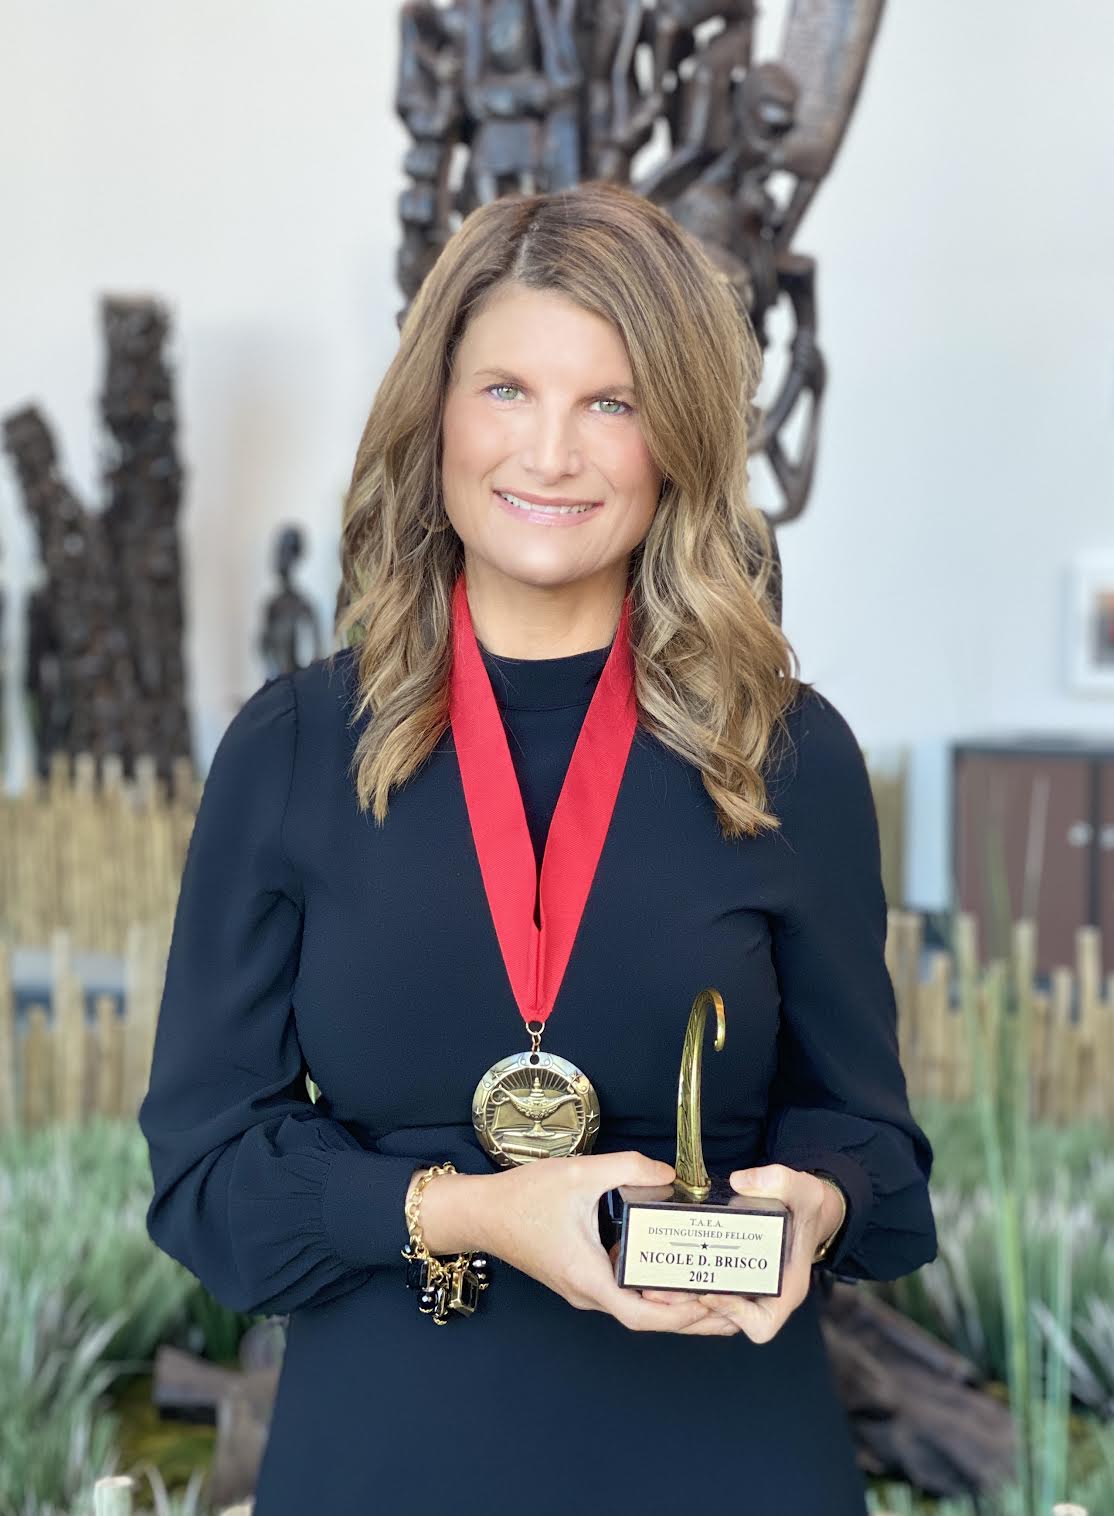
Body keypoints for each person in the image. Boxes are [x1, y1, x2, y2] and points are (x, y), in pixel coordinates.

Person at [138, 179, 937, 1516]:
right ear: (437, 415)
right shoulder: (293, 750)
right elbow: (206, 1179)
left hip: (724, 1457)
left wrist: (818, 1204)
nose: (551, 454)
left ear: (676, 440)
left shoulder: (785, 751)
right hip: (386, 1461)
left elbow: (873, 1143)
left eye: (610, 403)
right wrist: (472, 1214)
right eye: (507, 390)